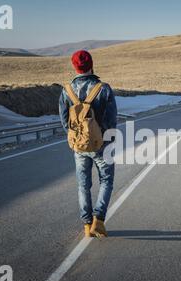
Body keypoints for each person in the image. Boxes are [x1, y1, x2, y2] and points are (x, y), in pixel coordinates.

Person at [59, 50, 117, 238]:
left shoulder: (66, 90)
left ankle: (86, 225)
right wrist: (108, 142)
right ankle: (98, 220)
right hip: (101, 144)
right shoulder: (104, 88)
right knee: (106, 181)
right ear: (91, 64)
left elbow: (64, 120)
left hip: (79, 146)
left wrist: (76, 138)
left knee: (83, 185)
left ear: (74, 66)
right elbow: (111, 120)